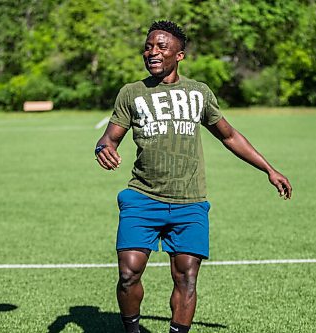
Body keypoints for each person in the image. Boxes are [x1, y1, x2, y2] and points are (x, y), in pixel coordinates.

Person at [95, 20, 292, 333]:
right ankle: (131, 330)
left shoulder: (198, 93)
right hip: (142, 197)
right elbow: (109, 138)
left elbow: (229, 136)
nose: (152, 52)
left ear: (179, 55)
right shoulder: (131, 94)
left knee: (186, 277)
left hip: (190, 202)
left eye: (161, 47)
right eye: (148, 47)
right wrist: (101, 148)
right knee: (129, 273)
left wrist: (269, 168)